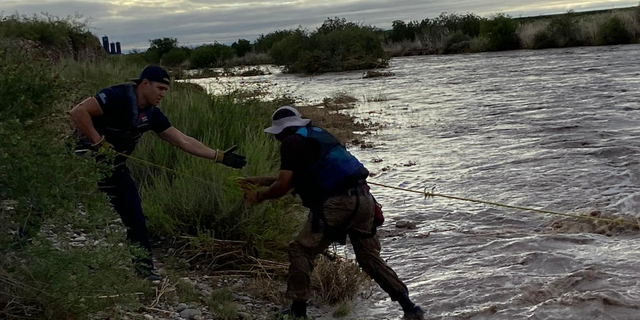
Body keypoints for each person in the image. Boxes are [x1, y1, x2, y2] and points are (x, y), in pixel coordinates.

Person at [242, 106, 424, 319]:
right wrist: (260, 181)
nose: (277, 139)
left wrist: (259, 196)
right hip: (364, 199)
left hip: (337, 203)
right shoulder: (316, 135)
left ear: (283, 131)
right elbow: (305, 176)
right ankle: (410, 307)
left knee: (301, 250)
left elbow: (283, 186)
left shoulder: (291, 143)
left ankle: (298, 311)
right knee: (368, 257)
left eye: (277, 135)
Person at [70, 66, 247, 280]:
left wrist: (219, 156)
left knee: (135, 217)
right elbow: (78, 112)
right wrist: (98, 142)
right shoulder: (117, 96)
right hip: (80, 162)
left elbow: (182, 140)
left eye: (166, 89)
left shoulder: (153, 115)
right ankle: (21, 241)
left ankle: (144, 271)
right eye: (160, 88)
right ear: (145, 84)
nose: (162, 93)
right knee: (47, 202)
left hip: (115, 169)